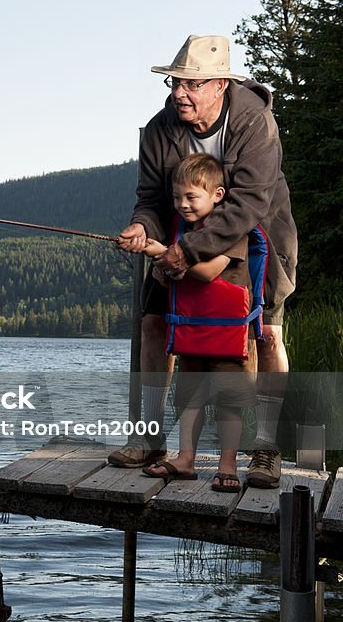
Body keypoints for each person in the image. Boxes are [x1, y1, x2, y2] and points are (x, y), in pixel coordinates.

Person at [108, 34, 297, 489]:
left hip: (260, 236)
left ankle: (266, 449)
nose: (179, 92)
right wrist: (143, 229)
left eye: (191, 84)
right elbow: (151, 200)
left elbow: (250, 202)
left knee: (266, 335)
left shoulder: (255, 120)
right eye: (176, 82)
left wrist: (185, 252)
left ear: (220, 85)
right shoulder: (159, 130)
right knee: (155, 323)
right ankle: (151, 436)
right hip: (180, 238)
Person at [138, 153, 257, 492]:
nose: (183, 204)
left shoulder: (229, 231)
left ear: (217, 195)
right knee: (189, 398)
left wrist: (165, 253)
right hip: (191, 333)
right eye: (177, 198)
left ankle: (228, 464)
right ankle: (185, 459)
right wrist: (162, 264)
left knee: (227, 402)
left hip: (225, 336)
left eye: (191, 197)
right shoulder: (181, 231)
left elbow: (207, 273)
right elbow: (167, 281)